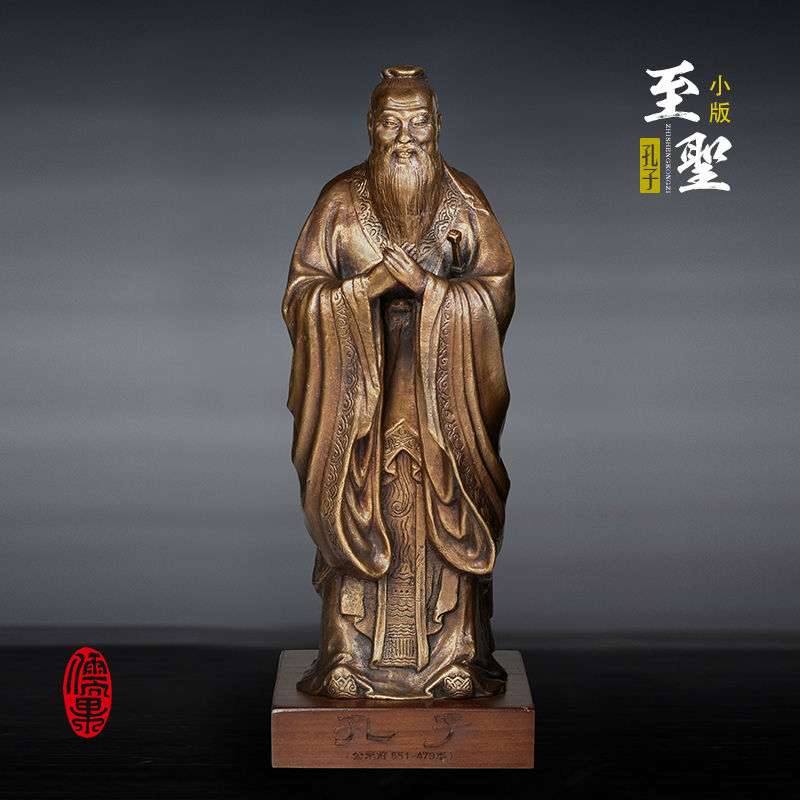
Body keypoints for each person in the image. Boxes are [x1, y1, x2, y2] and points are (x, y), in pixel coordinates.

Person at [283, 66, 514, 699]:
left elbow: (495, 293)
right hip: (361, 403)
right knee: (359, 503)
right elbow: (301, 297)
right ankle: (348, 658)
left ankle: (454, 657)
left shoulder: (463, 201)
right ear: (370, 128)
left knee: (447, 508)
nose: (405, 138)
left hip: (442, 401)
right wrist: (366, 289)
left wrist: (430, 290)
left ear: (438, 125)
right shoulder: (340, 201)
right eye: (391, 124)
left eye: (418, 123)